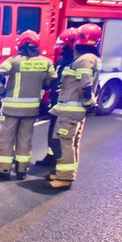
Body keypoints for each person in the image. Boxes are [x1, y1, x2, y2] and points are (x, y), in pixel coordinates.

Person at [0, 30, 57, 180]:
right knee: (25, 139)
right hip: (31, 110)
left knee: (6, 139)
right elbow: (51, 82)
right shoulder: (46, 62)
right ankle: (22, 171)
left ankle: (3, 170)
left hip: (11, 109)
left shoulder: (13, 61)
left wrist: (0, 91)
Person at [45, 23, 101, 190]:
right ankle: (63, 173)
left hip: (72, 110)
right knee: (66, 141)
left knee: (64, 142)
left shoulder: (85, 60)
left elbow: (85, 86)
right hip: (69, 108)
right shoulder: (87, 59)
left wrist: (90, 104)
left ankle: (65, 177)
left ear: (80, 40)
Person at [35, 27, 78, 167]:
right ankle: (51, 155)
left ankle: (60, 163)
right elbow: (53, 78)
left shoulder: (77, 63)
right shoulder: (61, 61)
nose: (62, 48)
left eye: (64, 46)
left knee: (63, 136)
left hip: (67, 104)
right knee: (53, 131)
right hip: (56, 102)